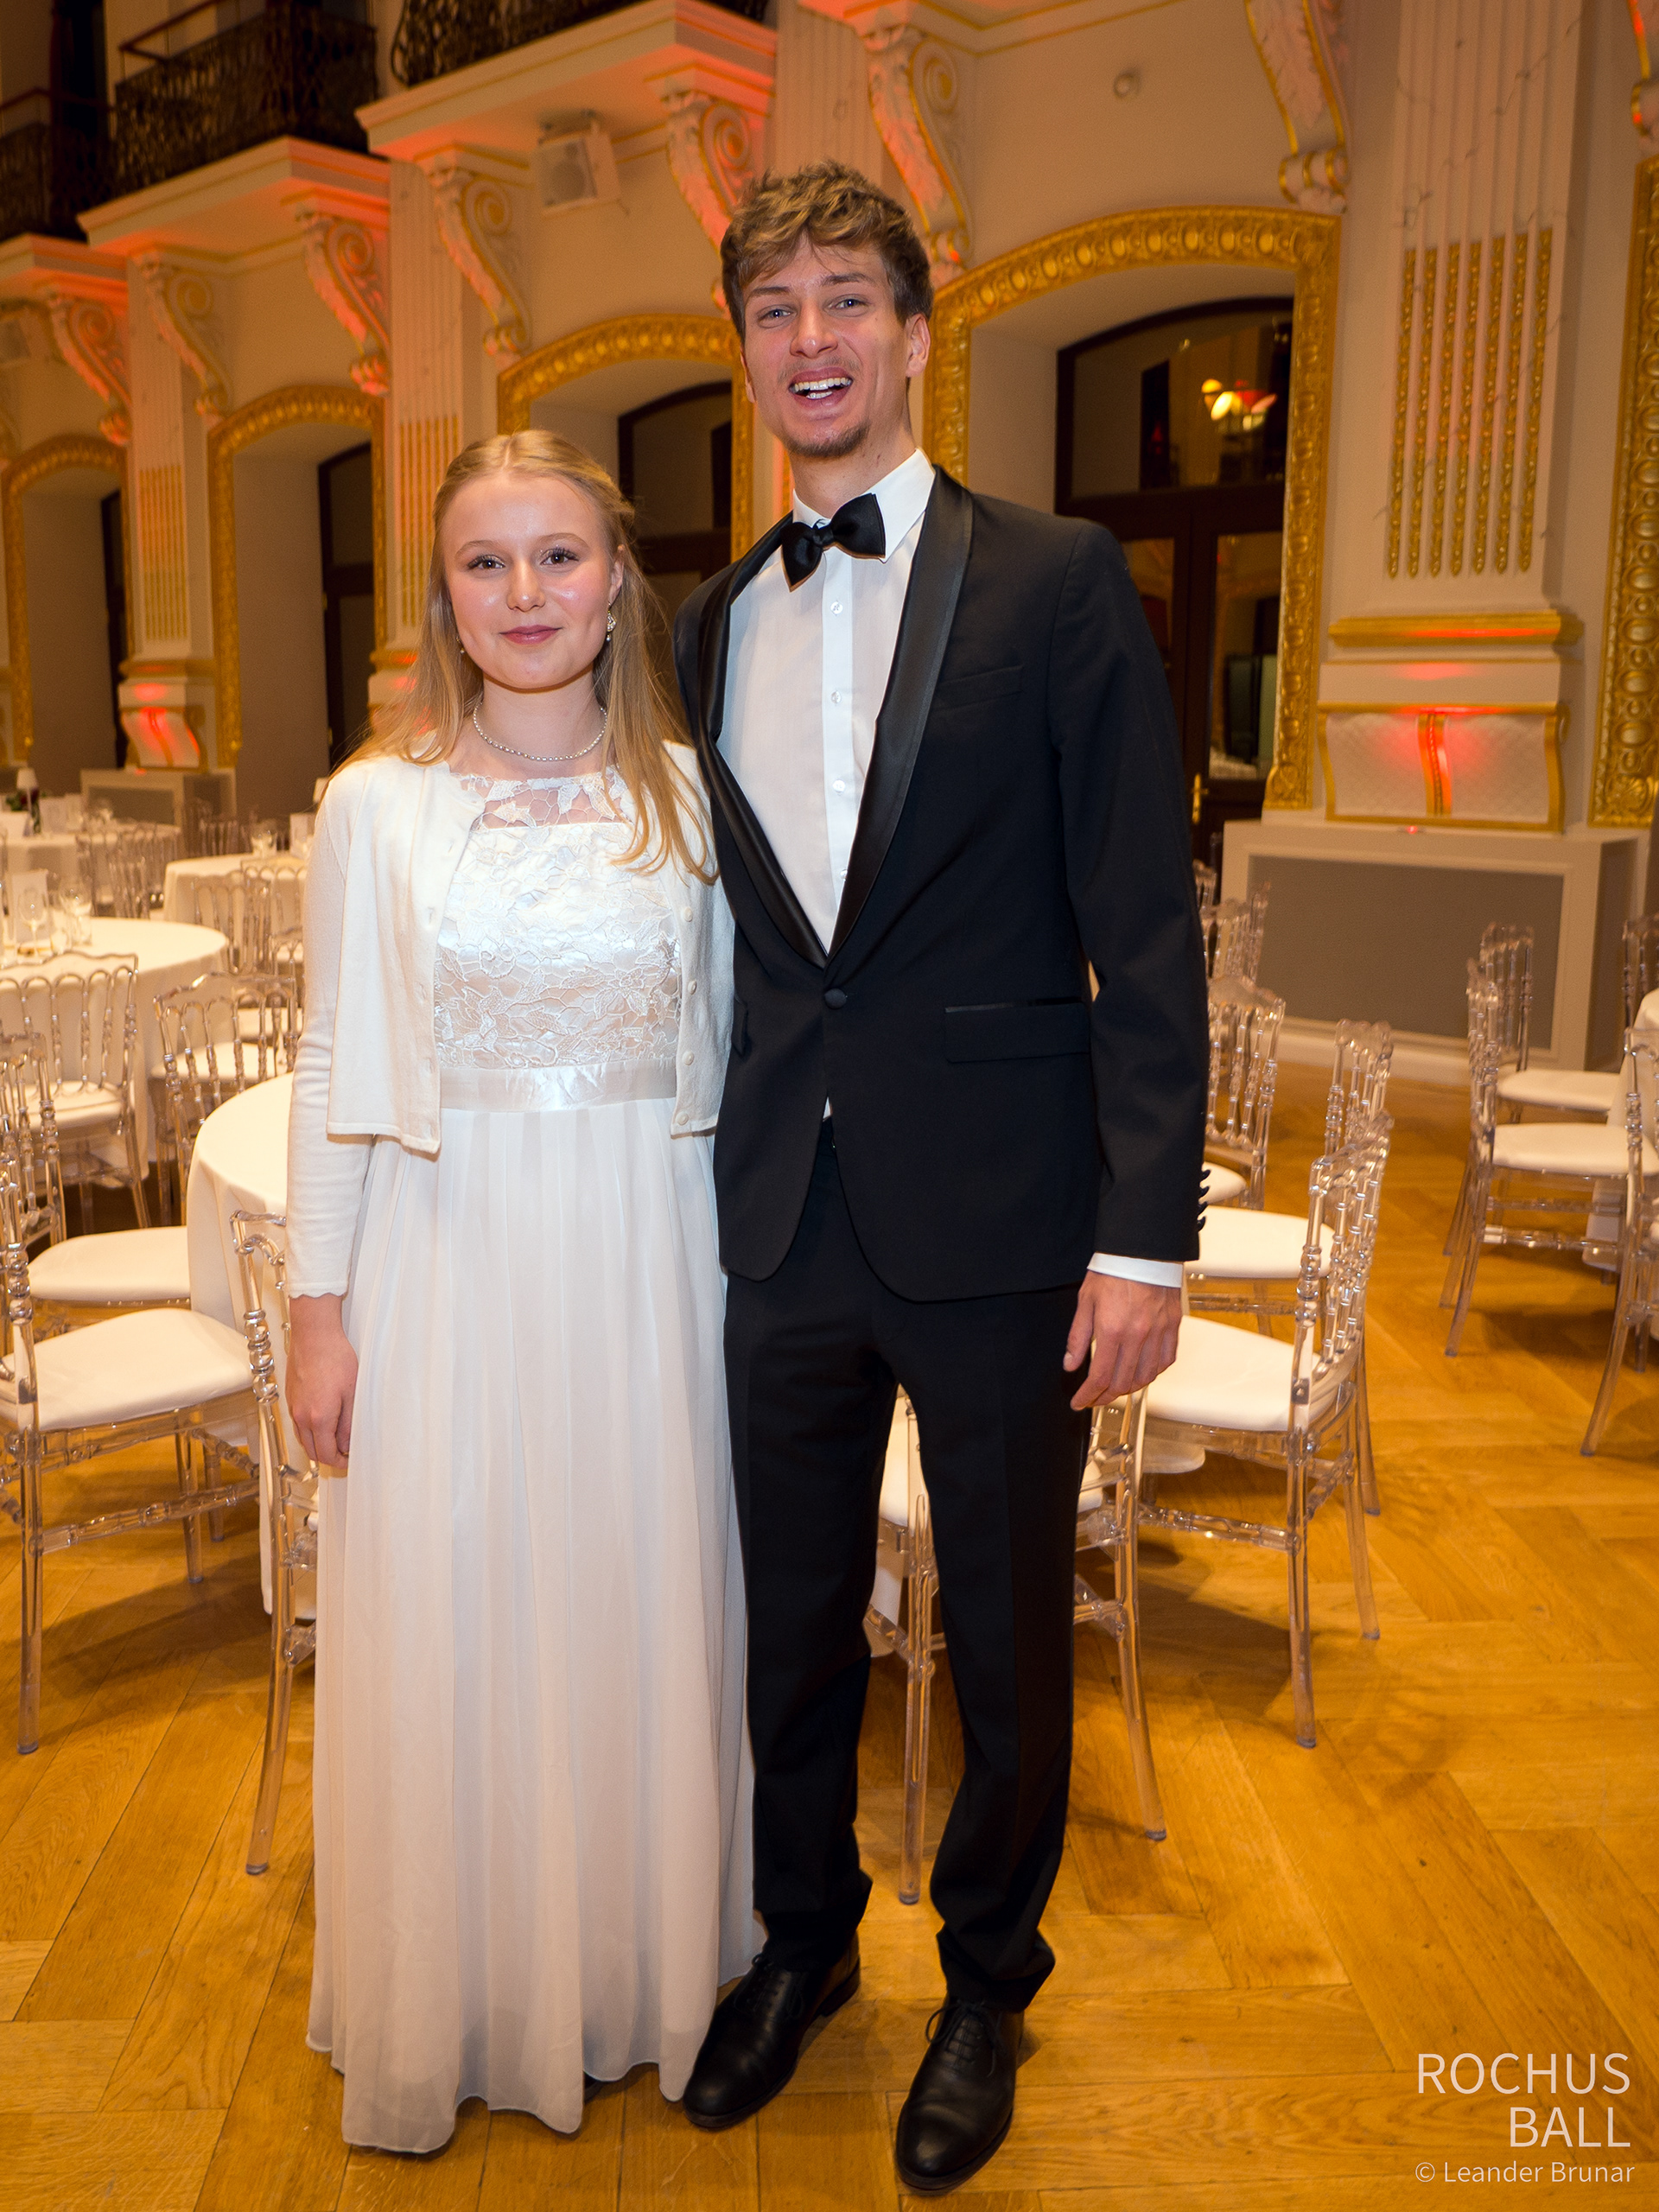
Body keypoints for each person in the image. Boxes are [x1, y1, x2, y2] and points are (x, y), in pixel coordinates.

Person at [671, 162, 1208, 2194]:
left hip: (1006, 1216)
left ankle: (990, 1978)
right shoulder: (707, 618)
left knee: (999, 1621)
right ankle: (803, 1938)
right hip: (782, 1214)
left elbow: (1142, 922)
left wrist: (1144, 1233)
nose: (810, 338)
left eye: (845, 299)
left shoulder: (1057, 581)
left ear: (914, 330)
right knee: (790, 1615)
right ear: (747, 348)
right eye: (775, 306)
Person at [283, 431, 754, 2152]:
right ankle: (464, 1986)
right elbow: (332, 1055)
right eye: (487, 562)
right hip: (447, 1252)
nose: (527, 593)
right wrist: (318, 1307)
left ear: (619, 581)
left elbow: (752, 1051)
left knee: (640, 1594)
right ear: (446, 594)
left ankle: (642, 1969)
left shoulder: (695, 799)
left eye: (559, 556)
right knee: (459, 1602)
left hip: (652, 1260)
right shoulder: (372, 803)